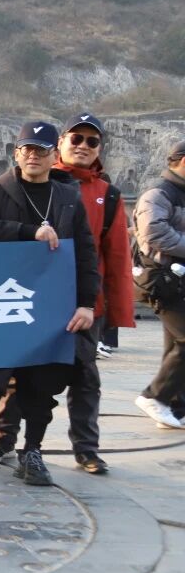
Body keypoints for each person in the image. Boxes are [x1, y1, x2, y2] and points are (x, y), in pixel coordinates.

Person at [0, 121, 99, 487]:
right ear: (16, 153)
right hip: (2, 305)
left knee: (41, 385)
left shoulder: (68, 197)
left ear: (52, 156)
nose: (33, 155)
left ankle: (33, 451)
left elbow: (86, 254)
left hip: (50, 308)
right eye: (27, 149)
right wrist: (28, 234)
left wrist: (87, 304)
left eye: (41, 150)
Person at [0, 113, 132, 475]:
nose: (82, 146)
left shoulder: (107, 195)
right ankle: (4, 437)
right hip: (28, 299)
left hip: (82, 302)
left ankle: (86, 447)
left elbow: (110, 254)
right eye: (76, 139)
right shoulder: (22, 186)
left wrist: (105, 307)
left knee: (84, 375)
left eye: (91, 142)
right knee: (20, 372)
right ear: (61, 144)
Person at [132, 139, 185, 428]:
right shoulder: (158, 194)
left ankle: (176, 407)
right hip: (161, 280)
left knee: (174, 344)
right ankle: (155, 397)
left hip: (178, 281)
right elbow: (153, 233)